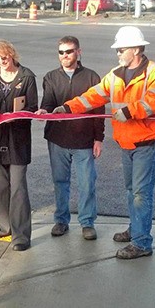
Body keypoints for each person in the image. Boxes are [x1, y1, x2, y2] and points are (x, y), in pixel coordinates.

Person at [54, 26, 155, 259]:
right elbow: (93, 95)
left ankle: (142, 243)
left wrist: (129, 112)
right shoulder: (116, 74)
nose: (118, 54)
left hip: (146, 142)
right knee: (132, 191)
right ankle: (136, 229)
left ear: (136, 49)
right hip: (127, 142)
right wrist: (68, 107)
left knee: (141, 194)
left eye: (121, 50)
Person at [35, 36, 105, 240]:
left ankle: (87, 222)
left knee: (86, 183)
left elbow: (99, 109)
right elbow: (48, 102)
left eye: (69, 51)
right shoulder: (50, 77)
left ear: (78, 52)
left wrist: (98, 138)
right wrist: (43, 112)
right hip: (57, 139)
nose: (65, 56)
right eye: (61, 52)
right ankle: (61, 220)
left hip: (84, 141)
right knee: (60, 182)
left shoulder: (92, 77)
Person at [0, 39, 38, 251]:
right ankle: (2, 226)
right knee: (1, 186)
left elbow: (32, 107)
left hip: (17, 140)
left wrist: (17, 116)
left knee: (18, 188)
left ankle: (21, 236)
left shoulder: (27, 77)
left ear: (12, 54)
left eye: (5, 57)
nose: (2, 61)